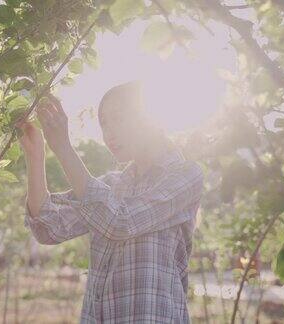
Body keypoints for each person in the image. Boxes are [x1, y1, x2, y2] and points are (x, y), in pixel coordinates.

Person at [16, 80, 204, 323]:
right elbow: (49, 228)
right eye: (104, 123)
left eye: (118, 119)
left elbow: (121, 222)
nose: (109, 133)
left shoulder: (185, 175)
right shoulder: (111, 185)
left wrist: (63, 148)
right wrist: (35, 154)